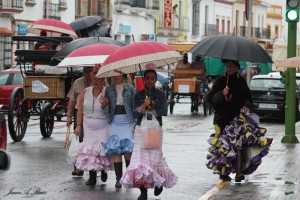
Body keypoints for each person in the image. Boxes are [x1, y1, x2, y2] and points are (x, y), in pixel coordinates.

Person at [121, 68, 177, 200]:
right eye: (147, 78)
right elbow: (134, 113)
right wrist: (142, 107)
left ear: (156, 80)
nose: (150, 81)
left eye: (152, 78)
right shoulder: (138, 95)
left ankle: (158, 183)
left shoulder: (161, 94)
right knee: (140, 161)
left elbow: (163, 110)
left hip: (155, 129)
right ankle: (143, 191)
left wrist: (150, 106)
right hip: (141, 129)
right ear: (144, 80)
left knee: (155, 159)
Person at [206, 59, 253, 182]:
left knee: (238, 146)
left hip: (237, 119)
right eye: (227, 66)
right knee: (223, 146)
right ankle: (223, 172)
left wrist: (246, 105)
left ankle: (238, 172)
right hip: (222, 119)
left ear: (237, 67)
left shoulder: (241, 82)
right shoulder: (221, 81)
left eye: (231, 66)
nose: (229, 68)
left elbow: (249, 98)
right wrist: (222, 93)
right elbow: (210, 99)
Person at [74, 65, 113, 185]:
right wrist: (78, 125)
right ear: (91, 78)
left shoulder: (108, 92)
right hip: (88, 126)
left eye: (99, 79)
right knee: (90, 151)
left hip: (103, 126)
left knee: (101, 151)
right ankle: (92, 176)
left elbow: (111, 110)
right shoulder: (85, 92)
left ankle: (104, 172)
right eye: (94, 79)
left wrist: (105, 104)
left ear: (103, 79)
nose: (97, 81)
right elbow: (80, 110)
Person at [100, 74, 136, 188]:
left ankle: (129, 177)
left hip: (127, 120)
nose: (116, 77)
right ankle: (118, 179)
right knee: (116, 149)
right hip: (114, 120)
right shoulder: (108, 89)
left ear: (123, 75)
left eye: (118, 74)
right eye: (114, 75)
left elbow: (134, 106)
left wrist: (136, 121)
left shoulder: (130, 88)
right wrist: (104, 105)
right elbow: (106, 109)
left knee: (127, 150)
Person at [66, 66, 93, 176]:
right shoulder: (77, 82)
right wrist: (69, 116)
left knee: (92, 141)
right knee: (79, 138)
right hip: (79, 112)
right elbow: (72, 100)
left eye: (89, 70)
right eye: (85, 70)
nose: (87, 72)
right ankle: (78, 166)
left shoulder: (101, 81)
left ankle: (95, 166)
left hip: (93, 112)